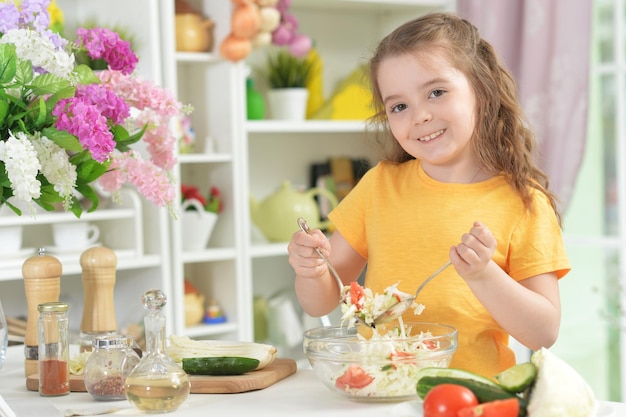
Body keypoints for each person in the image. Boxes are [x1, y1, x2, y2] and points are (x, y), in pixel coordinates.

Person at [287, 12, 570, 378]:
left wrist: (484, 275)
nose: (419, 116)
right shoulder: (379, 185)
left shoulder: (524, 202)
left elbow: (543, 333)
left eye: (436, 92)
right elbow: (321, 301)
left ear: (481, 91)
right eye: (399, 106)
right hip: (380, 389)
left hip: (471, 396)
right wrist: (309, 270)